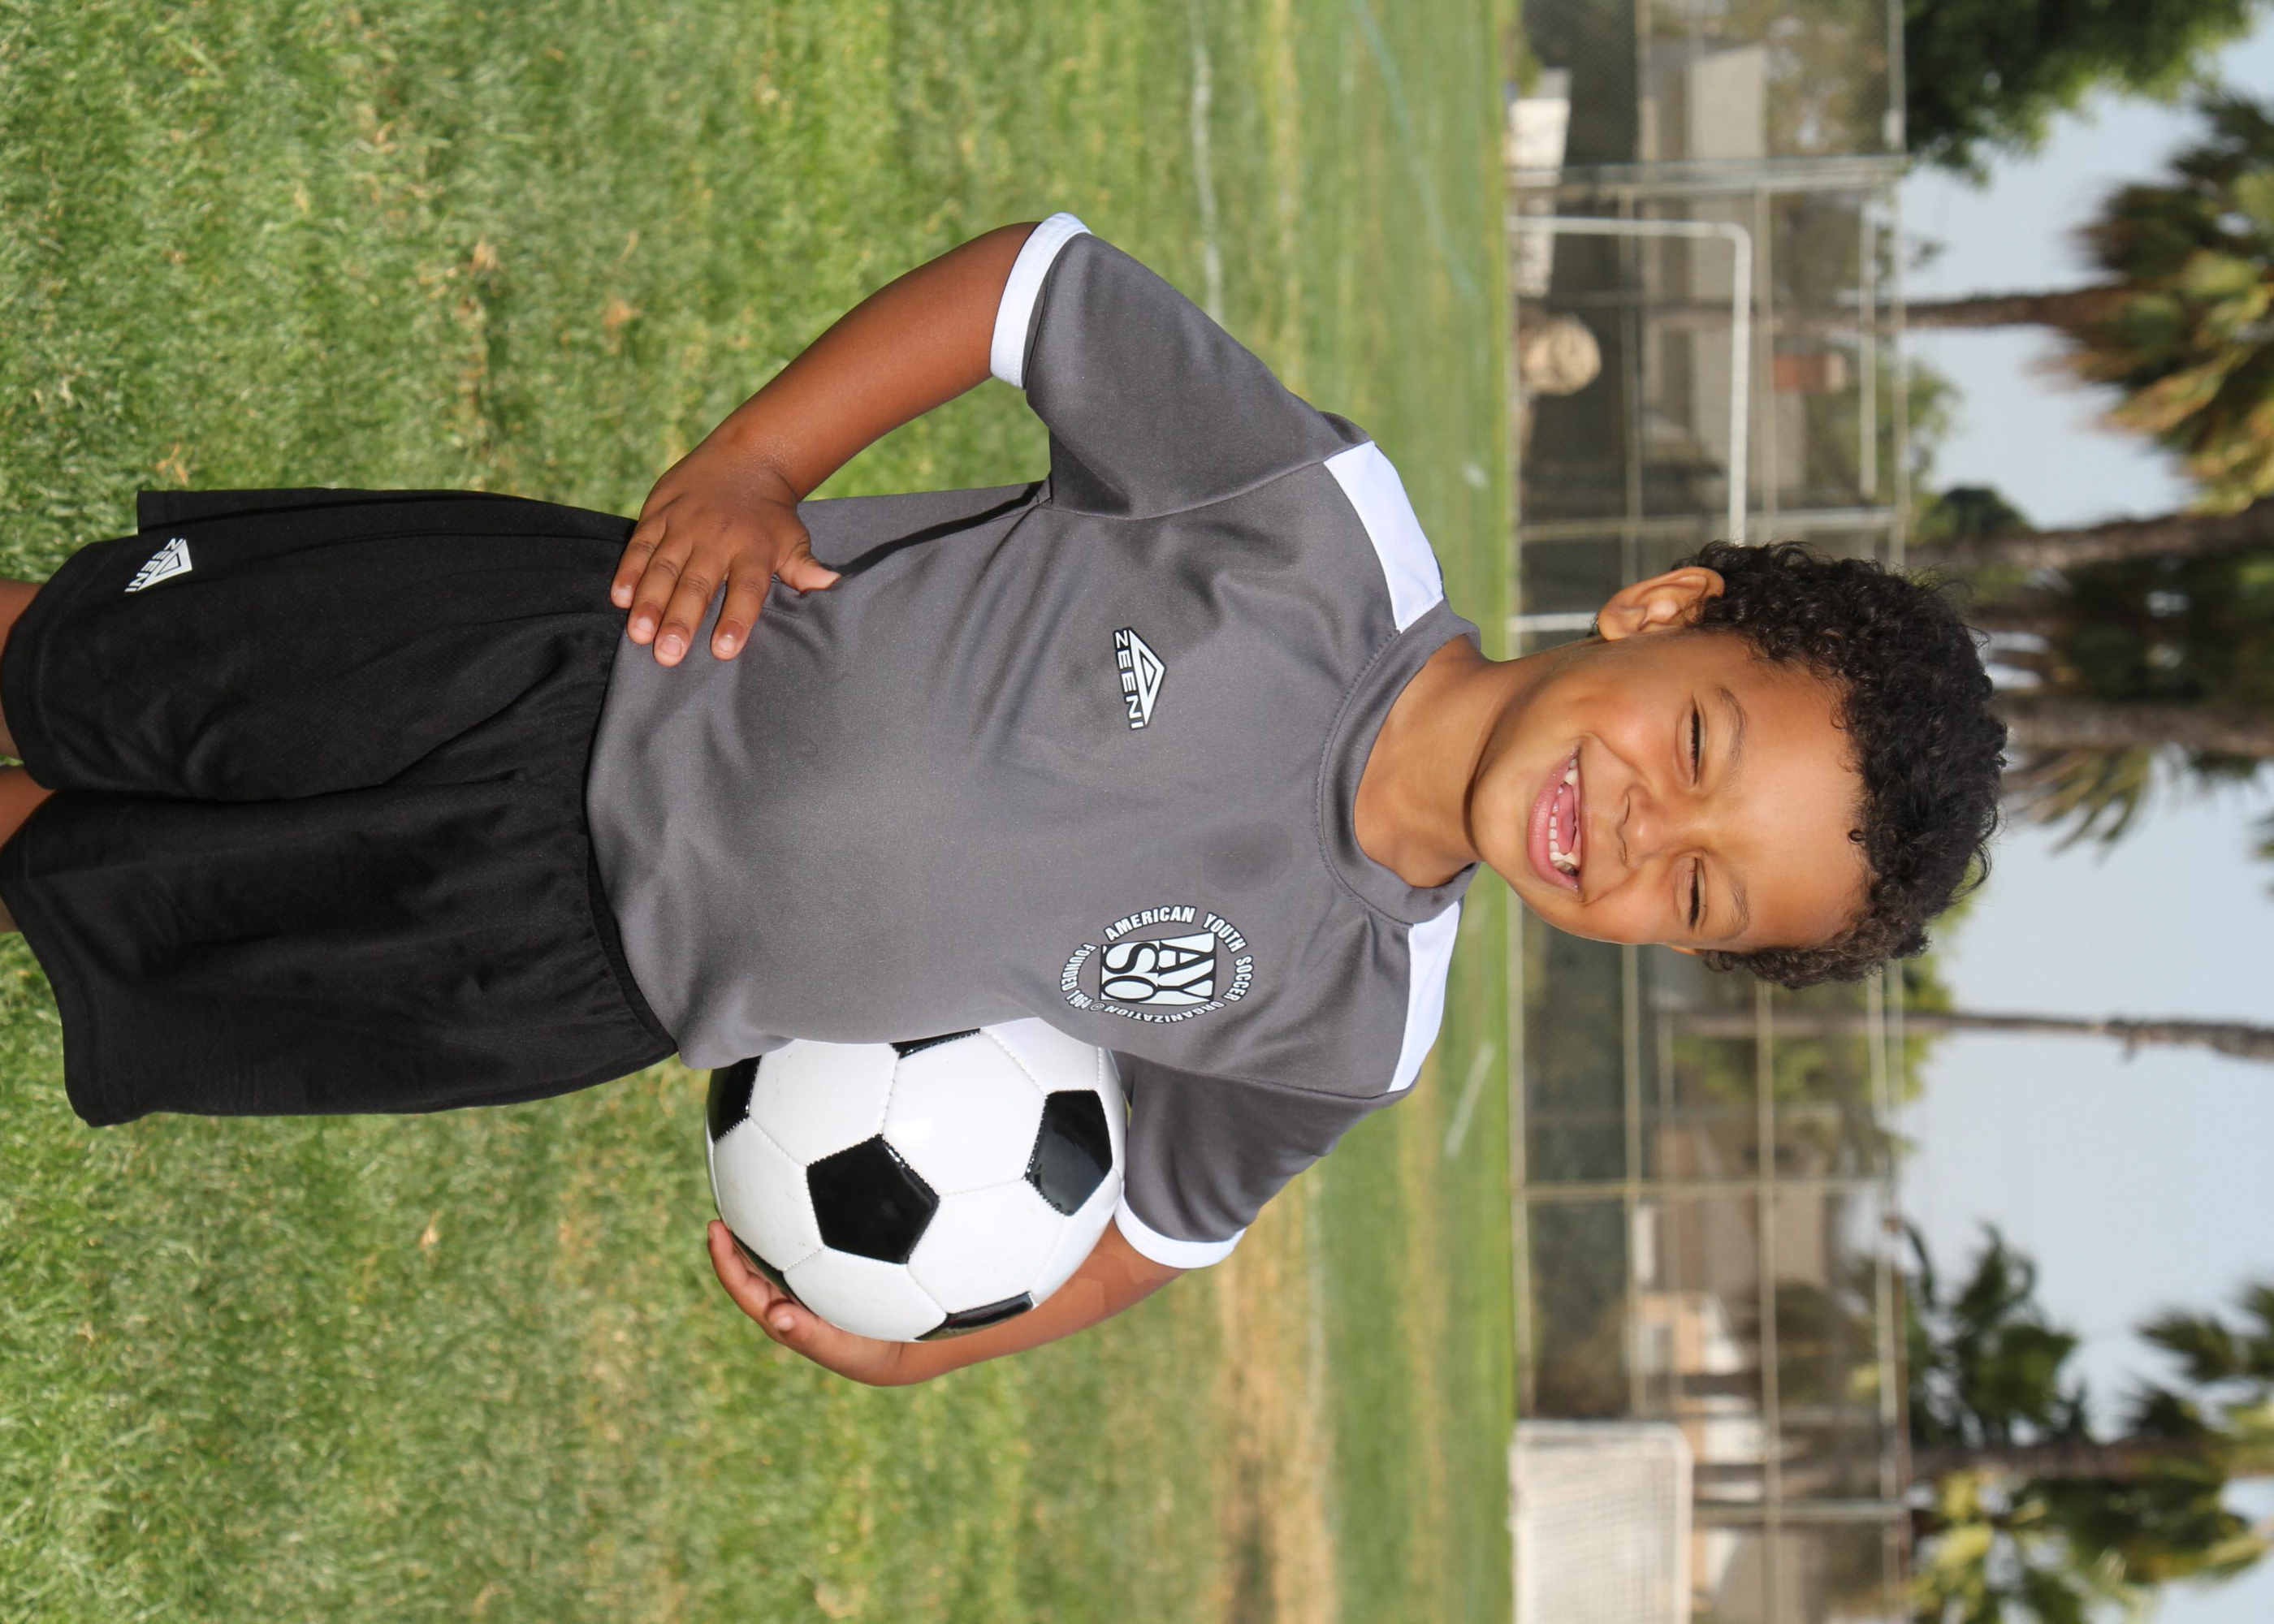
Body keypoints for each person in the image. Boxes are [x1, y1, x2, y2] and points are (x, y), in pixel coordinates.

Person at [0, 215, 2005, 1386]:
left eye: (1698, 896)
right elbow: (1030, 287)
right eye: (1694, 752)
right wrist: (754, 466)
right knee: (75, 672)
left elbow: (1153, 1229)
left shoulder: (1353, 1022)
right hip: (576, 651)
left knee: (103, 895)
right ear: (1658, 611)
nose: (1641, 835)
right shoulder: (1316, 528)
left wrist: (934, 1339)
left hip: (564, 978)